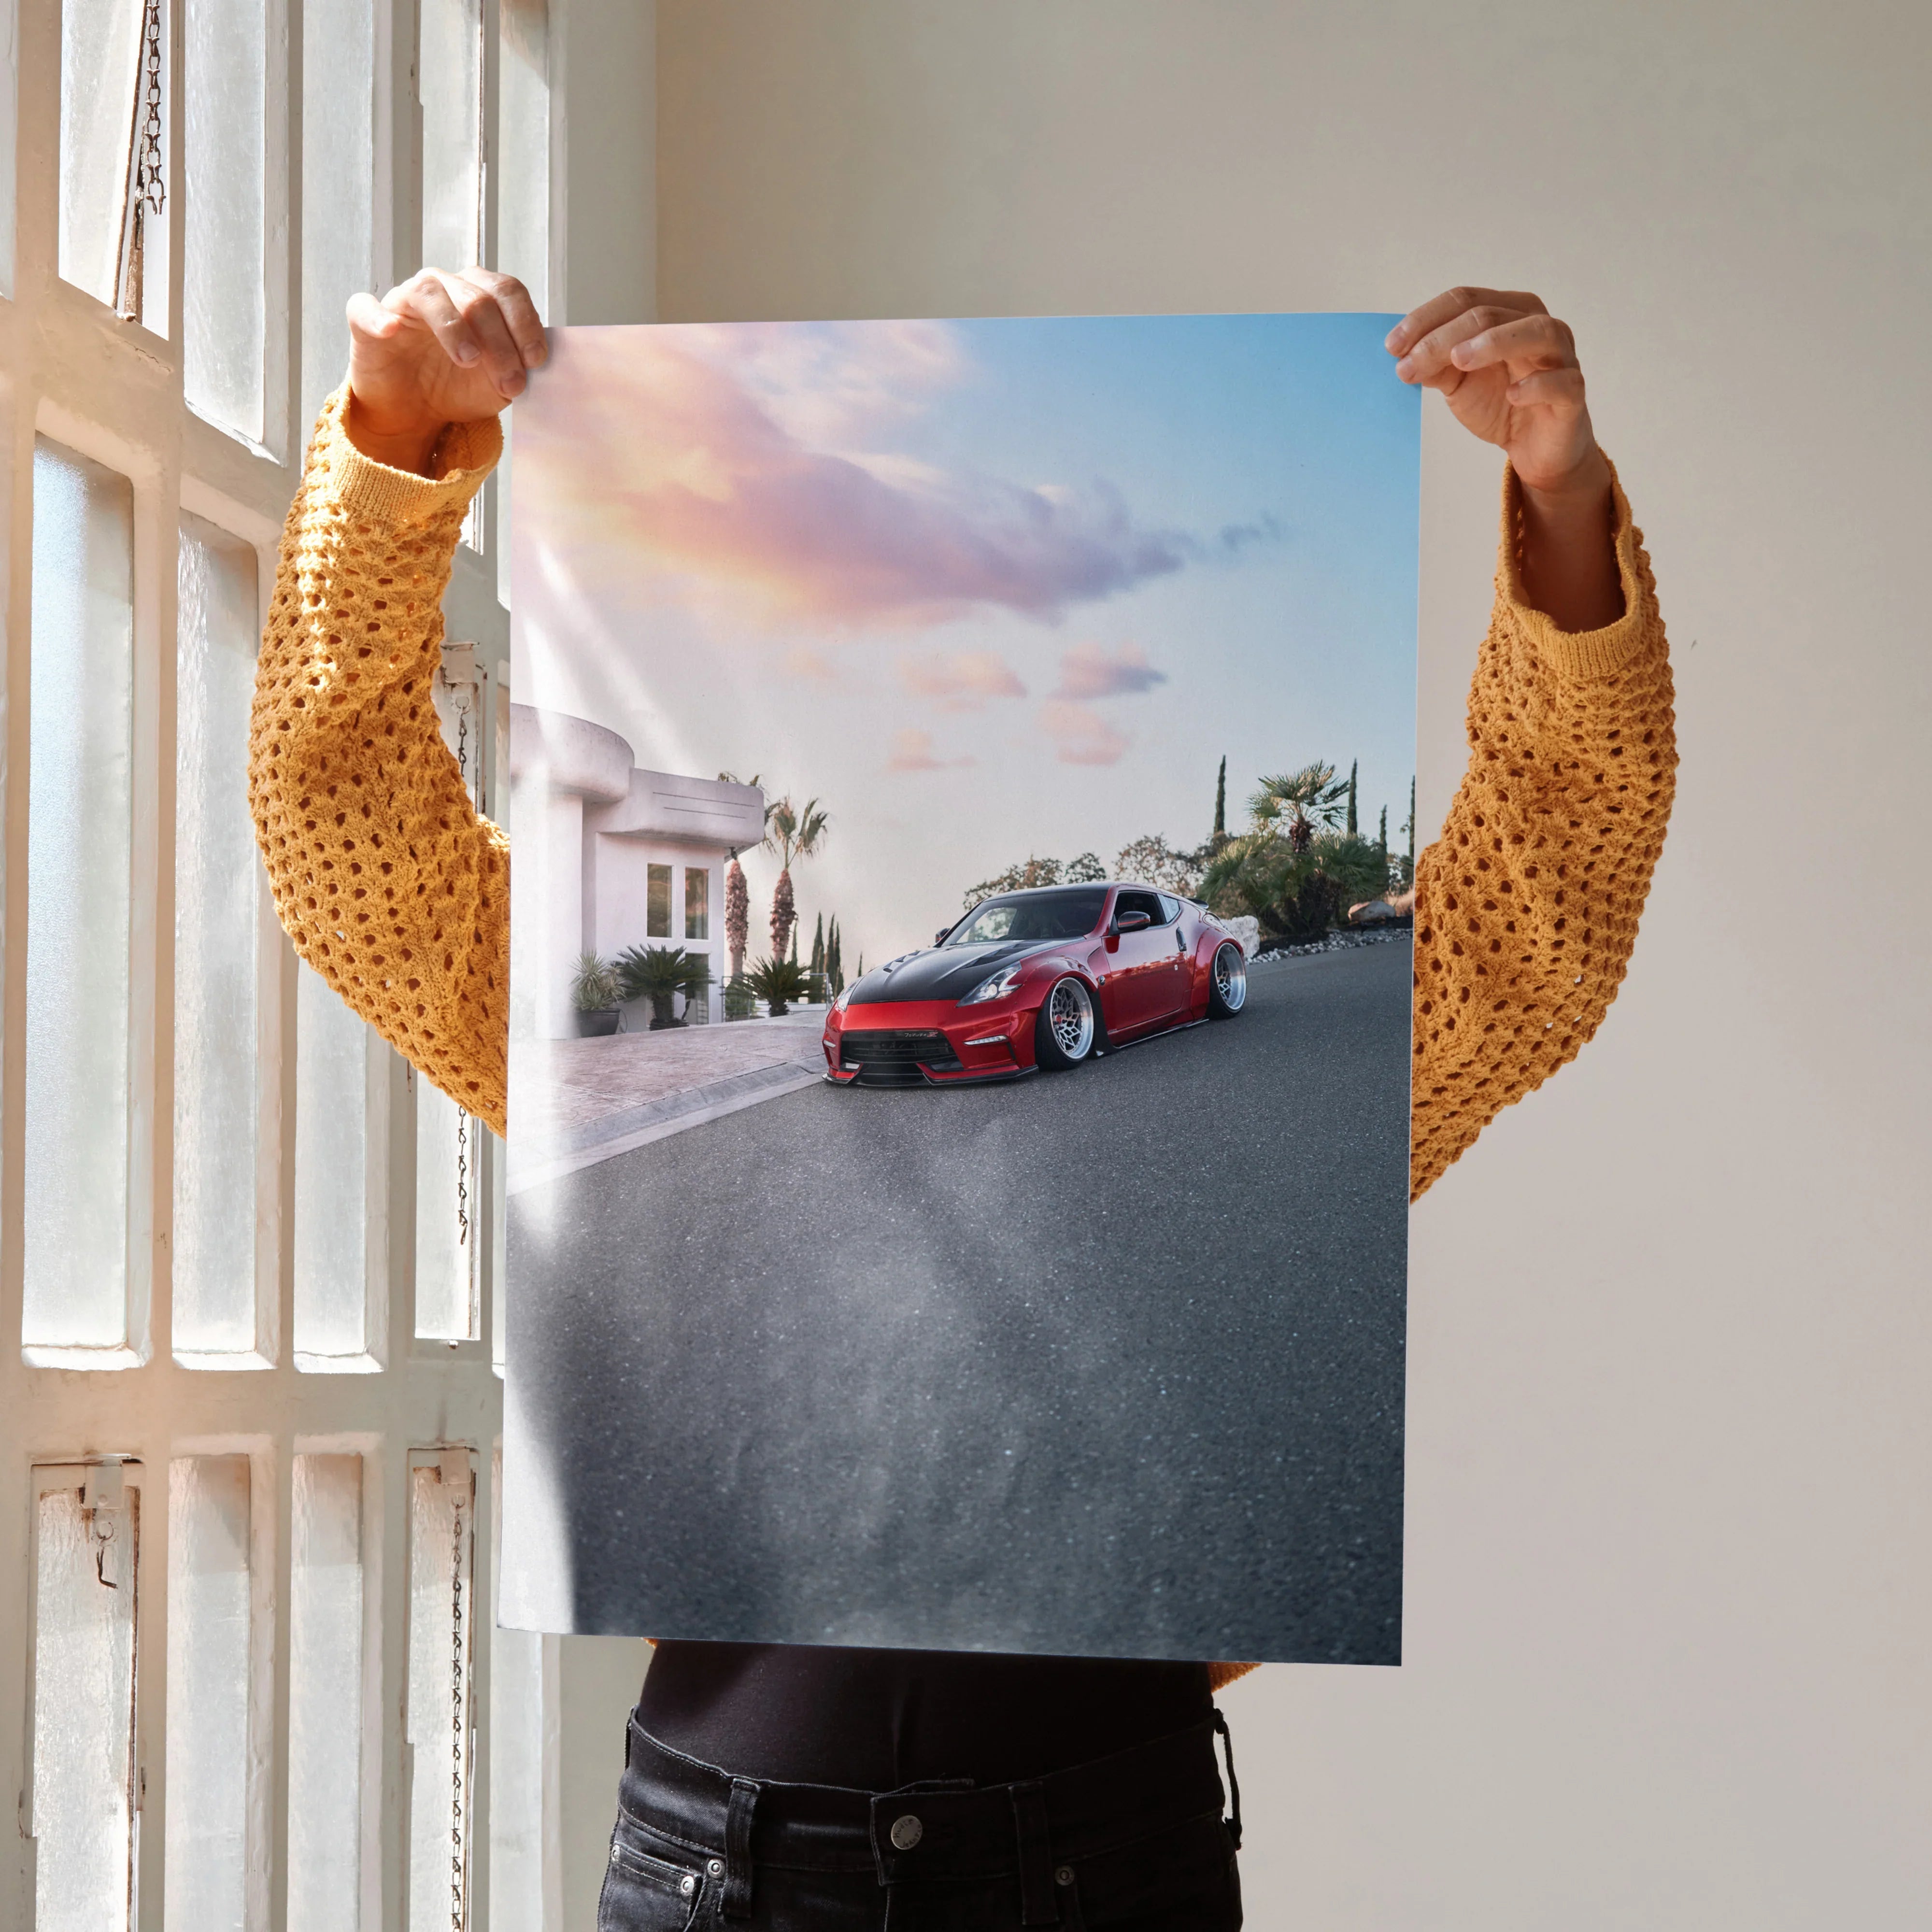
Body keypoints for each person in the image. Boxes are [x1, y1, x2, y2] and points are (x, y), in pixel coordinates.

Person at [250, 271, 1675, 1930]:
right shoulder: (609, 1053)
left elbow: (1544, 909)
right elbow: (348, 843)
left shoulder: (1241, 1042)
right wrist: (392, 445)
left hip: (1102, 1854)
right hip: (723, 1866)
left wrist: (1561, 497)